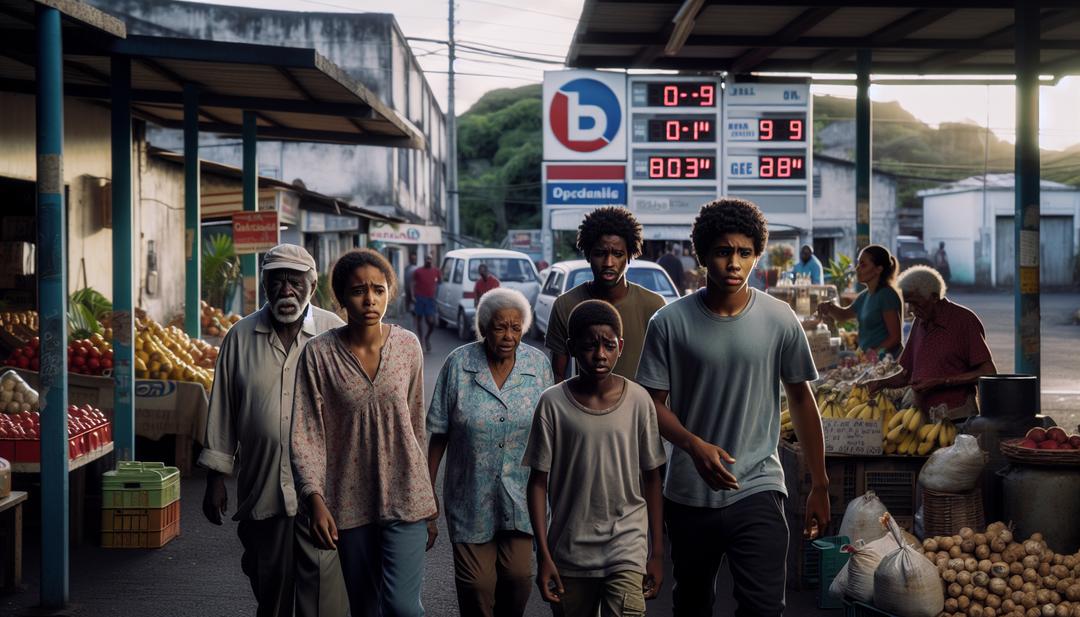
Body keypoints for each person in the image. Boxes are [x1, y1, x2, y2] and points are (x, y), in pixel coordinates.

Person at [636, 198, 829, 617]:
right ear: (703, 255)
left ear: (757, 256)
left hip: (759, 485)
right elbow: (650, 403)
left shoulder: (780, 319)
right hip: (688, 492)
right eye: (723, 251)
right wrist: (692, 444)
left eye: (744, 252)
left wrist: (820, 484)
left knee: (763, 608)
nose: (733, 263)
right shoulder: (669, 322)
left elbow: (801, 399)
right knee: (691, 604)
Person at [199, 243, 348, 617]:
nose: (286, 291)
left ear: (312, 286)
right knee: (271, 593)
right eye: (276, 281)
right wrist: (215, 478)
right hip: (263, 490)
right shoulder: (239, 336)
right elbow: (223, 411)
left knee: (322, 602)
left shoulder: (336, 332)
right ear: (264, 286)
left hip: (325, 497)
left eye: (295, 282)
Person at [291, 249, 436, 617]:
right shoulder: (318, 353)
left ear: (390, 292)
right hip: (349, 499)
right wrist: (314, 498)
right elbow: (307, 433)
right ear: (341, 298)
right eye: (358, 291)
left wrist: (429, 505)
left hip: (407, 494)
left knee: (404, 607)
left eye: (379, 289)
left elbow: (417, 424)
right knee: (366, 608)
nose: (370, 299)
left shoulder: (408, 346)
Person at [525, 299, 667, 617]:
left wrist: (656, 552)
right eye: (590, 345)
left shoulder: (639, 401)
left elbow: (653, 478)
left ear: (621, 346)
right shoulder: (552, 404)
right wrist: (543, 555)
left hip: (626, 549)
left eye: (608, 345)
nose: (600, 355)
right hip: (569, 554)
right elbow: (537, 483)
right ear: (573, 347)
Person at [427, 288, 554, 617]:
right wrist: (428, 495)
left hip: (521, 499)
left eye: (515, 327)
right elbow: (439, 434)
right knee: (477, 587)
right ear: (484, 327)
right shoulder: (459, 364)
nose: (508, 335)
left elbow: (551, 436)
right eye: (500, 327)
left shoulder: (537, 366)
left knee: (519, 579)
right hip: (470, 498)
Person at [545, 206, 665, 383]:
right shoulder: (566, 304)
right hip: (583, 408)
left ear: (630, 256)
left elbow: (665, 373)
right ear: (588, 255)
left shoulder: (653, 305)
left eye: (617, 254)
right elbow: (558, 376)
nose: (609, 262)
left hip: (640, 409)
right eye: (600, 254)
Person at [865, 265, 996, 417]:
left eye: (915, 303)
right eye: (907, 303)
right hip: (921, 414)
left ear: (934, 297)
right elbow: (907, 375)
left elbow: (988, 373)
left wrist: (941, 381)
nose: (910, 310)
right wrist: (880, 383)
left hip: (956, 413)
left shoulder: (964, 321)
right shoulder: (919, 321)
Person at [817, 245, 903, 358]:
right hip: (867, 358)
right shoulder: (864, 296)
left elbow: (895, 338)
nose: (857, 268)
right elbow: (843, 315)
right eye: (858, 264)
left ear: (878, 269)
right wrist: (829, 307)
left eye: (863, 265)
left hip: (885, 362)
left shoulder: (887, 295)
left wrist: (875, 353)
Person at [412, 254, 441, 353]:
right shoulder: (418, 271)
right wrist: (412, 295)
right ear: (424, 260)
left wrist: (436, 291)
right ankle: (421, 342)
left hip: (430, 299)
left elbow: (440, 281)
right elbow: (412, 283)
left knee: (431, 322)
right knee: (419, 320)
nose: (428, 260)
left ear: (432, 260)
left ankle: (427, 337)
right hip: (419, 298)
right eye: (427, 259)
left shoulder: (436, 271)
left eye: (430, 259)